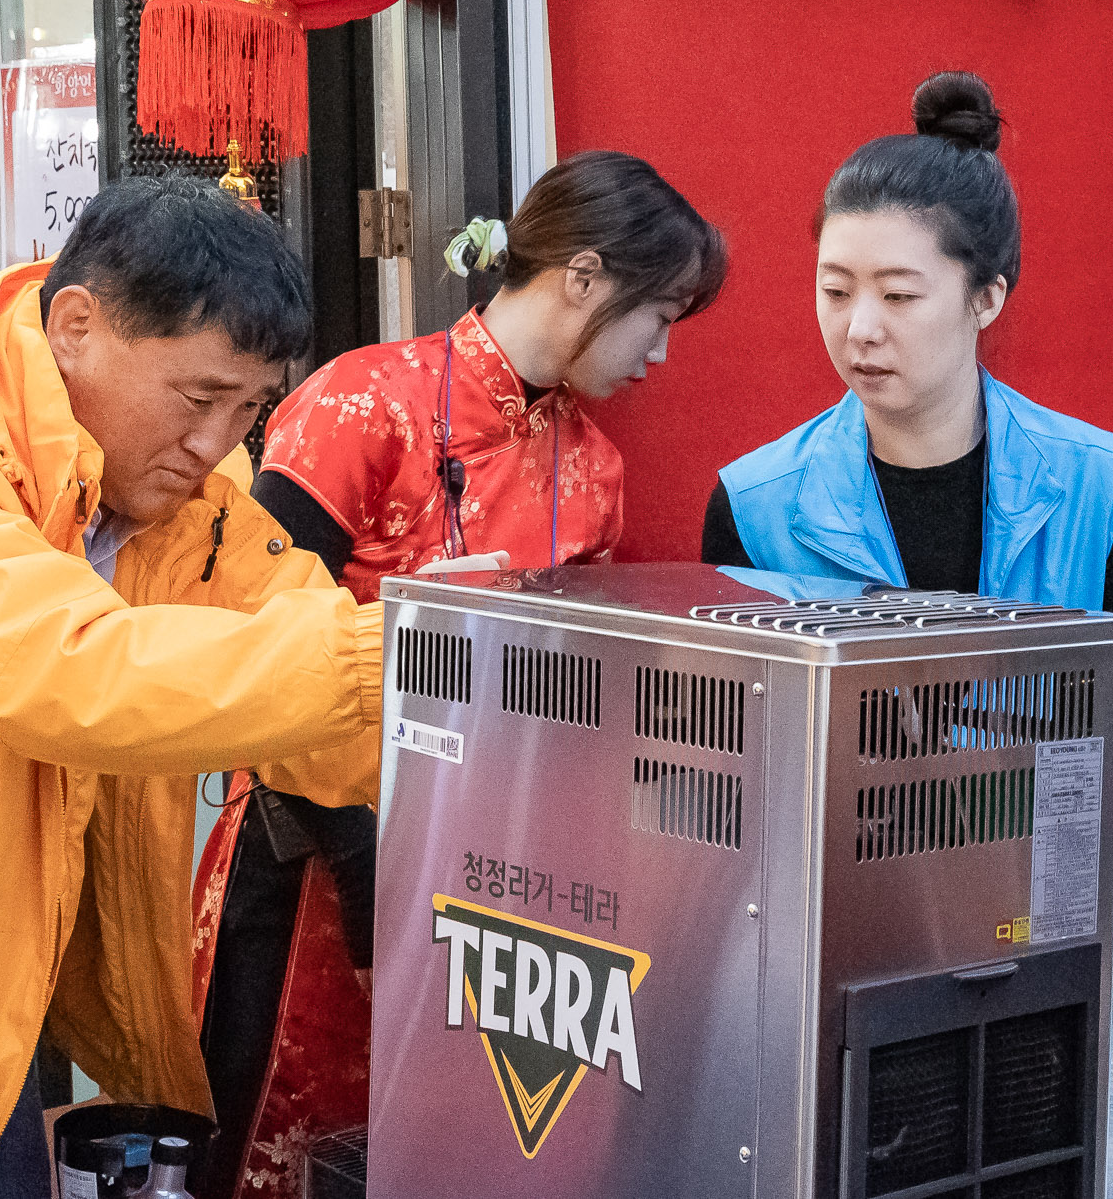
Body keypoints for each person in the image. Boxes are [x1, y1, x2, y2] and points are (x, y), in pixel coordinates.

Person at [194, 149, 728, 1198]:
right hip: (312, 861)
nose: (660, 352)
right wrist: (367, 871)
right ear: (582, 276)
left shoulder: (598, 467)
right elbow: (246, 643)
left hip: (494, 887)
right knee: (275, 1147)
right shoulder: (358, 406)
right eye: (657, 315)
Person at [0, 177, 381, 1199]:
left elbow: (298, 662)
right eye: (199, 397)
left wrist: (484, 723)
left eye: (252, 406)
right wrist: (380, 656)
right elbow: (67, 666)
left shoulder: (177, 499)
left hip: (2, 1007)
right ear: (76, 325)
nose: (221, 444)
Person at [700, 72, 1113, 795]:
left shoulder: (1101, 484)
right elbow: (737, 746)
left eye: (899, 295)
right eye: (834, 290)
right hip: (843, 886)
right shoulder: (755, 507)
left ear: (986, 296)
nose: (859, 328)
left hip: (1043, 880)